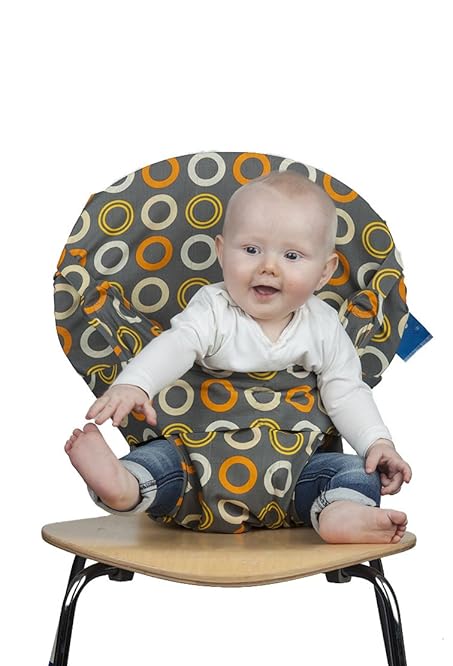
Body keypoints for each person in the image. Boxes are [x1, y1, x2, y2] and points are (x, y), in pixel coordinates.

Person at [65, 170, 412, 544]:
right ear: (221, 251)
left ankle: (341, 510)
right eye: (251, 250)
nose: (268, 267)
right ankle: (124, 486)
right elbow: (178, 344)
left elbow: (346, 392)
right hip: (196, 462)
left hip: (296, 471)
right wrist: (136, 384)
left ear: (324, 271)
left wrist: (377, 443)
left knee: (355, 471)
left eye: (291, 255)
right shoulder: (213, 310)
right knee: (159, 461)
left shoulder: (324, 326)